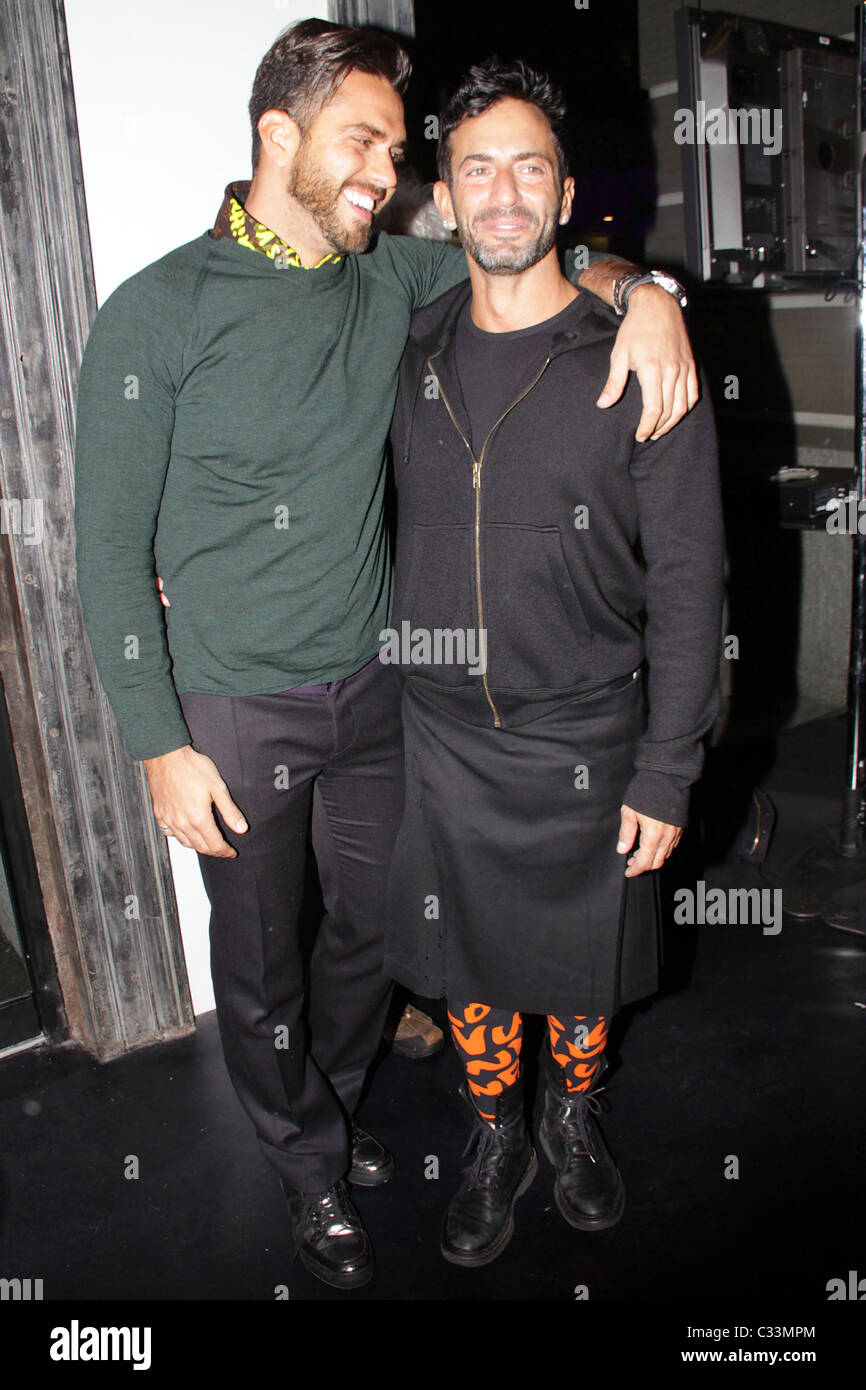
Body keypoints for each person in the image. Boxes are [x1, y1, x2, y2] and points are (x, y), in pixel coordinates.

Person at [73, 19, 702, 1291]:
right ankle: (308, 1165)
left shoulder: (389, 285)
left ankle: (339, 1100)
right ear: (277, 135)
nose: (389, 174)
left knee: (371, 929)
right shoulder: (154, 314)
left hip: (376, 692)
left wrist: (649, 294)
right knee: (256, 963)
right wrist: (155, 735)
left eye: (398, 150)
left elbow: (530, 252)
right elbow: (101, 554)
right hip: (235, 708)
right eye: (361, 142)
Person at [382, 58, 725, 1267]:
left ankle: (569, 1120)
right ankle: (494, 1133)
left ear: (565, 189)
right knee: (467, 966)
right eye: (477, 168)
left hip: (588, 734)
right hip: (436, 732)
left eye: (528, 165)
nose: (504, 192)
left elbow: (689, 581)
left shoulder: (635, 354)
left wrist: (667, 767)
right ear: (446, 195)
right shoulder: (405, 347)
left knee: (580, 978)